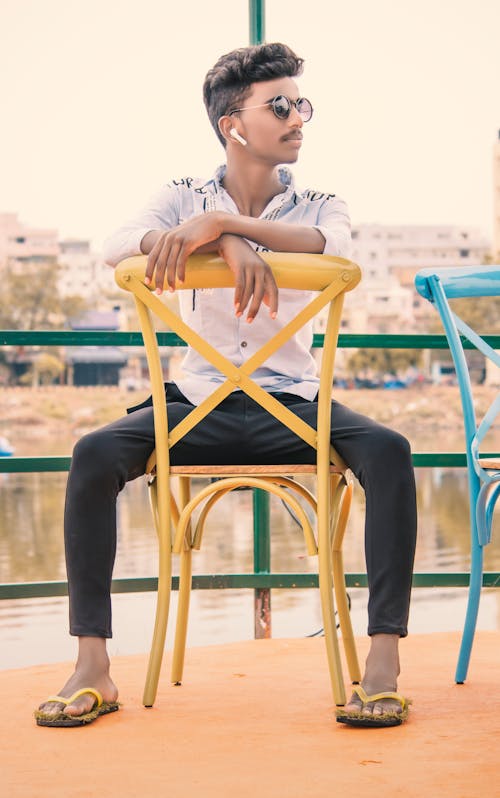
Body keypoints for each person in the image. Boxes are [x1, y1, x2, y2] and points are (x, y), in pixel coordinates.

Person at [36, 42, 416, 729]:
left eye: (302, 103)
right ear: (232, 125)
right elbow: (117, 243)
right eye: (281, 106)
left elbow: (338, 251)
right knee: (92, 455)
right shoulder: (180, 194)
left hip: (296, 407)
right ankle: (93, 665)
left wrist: (226, 224)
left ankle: (382, 661)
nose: (299, 117)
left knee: (390, 453)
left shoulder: (321, 202)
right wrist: (224, 242)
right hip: (196, 404)